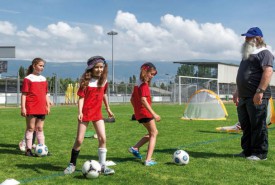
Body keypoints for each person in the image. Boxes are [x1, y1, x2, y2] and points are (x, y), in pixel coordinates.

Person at [64, 56, 115, 175]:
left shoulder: (104, 81)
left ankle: (102, 166)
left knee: (103, 138)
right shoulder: (85, 82)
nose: (99, 70)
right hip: (86, 113)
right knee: (79, 140)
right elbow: (81, 98)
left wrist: (108, 108)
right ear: (91, 69)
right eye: (96, 67)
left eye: (101, 67)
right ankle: (72, 164)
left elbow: (104, 95)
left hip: (97, 113)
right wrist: (80, 112)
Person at [233, 27, 274, 161]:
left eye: (249, 37)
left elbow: (268, 72)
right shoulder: (247, 53)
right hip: (244, 96)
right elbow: (243, 75)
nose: (246, 39)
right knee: (246, 125)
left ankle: (260, 153)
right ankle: (247, 151)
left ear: (257, 39)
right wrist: (237, 91)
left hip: (256, 95)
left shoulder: (265, 52)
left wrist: (260, 91)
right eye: (246, 37)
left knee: (257, 125)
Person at [129, 62, 161, 166]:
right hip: (145, 113)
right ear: (145, 71)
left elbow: (132, 99)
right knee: (154, 133)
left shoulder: (137, 84)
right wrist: (154, 114)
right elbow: (143, 100)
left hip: (140, 113)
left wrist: (136, 111)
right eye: (151, 74)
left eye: (153, 74)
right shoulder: (143, 85)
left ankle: (135, 148)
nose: (152, 76)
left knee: (152, 132)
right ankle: (148, 160)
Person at [21, 58, 51, 157]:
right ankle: (28, 150)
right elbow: (24, 94)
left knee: (40, 128)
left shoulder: (44, 79)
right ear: (34, 66)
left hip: (41, 107)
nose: (42, 68)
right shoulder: (28, 79)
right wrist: (23, 108)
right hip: (31, 107)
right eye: (40, 65)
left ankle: (42, 148)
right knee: (31, 128)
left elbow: (46, 94)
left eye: (43, 66)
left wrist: (48, 105)